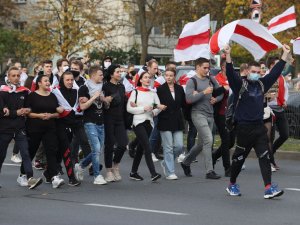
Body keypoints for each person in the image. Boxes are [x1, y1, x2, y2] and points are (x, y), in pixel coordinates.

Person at [224, 44, 291, 199]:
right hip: (243, 129)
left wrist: (285, 54)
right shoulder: (240, 84)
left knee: (265, 156)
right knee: (239, 159)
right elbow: (230, 73)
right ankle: (232, 184)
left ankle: (268, 188)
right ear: (247, 72)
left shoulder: (262, 84)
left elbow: (275, 72)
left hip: (259, 128)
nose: (255, 74)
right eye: (253, 72)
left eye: (258, 72)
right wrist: (228, 56)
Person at [0, 66, 43, 189]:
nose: (16, 78)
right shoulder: (2, 91)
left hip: (20, 128)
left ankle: (29, 178)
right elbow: (2, 112)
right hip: (4, 129)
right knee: (1, 155)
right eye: (13, 75)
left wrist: (27, 109)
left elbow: (29, 106)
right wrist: (15, 113)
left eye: (18, 75)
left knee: (25, 152)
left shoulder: (24, 91)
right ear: (8, 77)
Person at [180, 57, 223, 179]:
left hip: (210, 114)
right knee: (208, 140)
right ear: (197, 67)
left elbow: (220, 93)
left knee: (201, 143)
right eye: (204, 67)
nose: (207, 70)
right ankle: (209, 171)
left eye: (208, 67)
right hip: (198, 113)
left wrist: (216, 99)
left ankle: (186, 162)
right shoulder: (191, 82)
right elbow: (188, 99)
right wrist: (203, 92)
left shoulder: (211, 79)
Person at [25, 75, 65, 188]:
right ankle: (23, 174)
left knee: (51, 151)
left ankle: (54, 177)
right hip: (34, 128)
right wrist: (39, 115)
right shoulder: (32, 96)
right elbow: (28, 113)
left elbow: (58, 113)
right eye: (46, 81)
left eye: (49, 81)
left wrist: (51, 115)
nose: (48, 83)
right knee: (31, 151)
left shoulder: (52, 96)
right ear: (39, 83)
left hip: (50, 128)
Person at [75, 66, 109, 185]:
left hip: (101, 121)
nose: (102, 76)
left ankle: (81, 165)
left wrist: (104, 100)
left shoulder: (103, 87)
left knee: (98, 149)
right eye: (100, 74)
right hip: (90, 121)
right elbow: (83, 107)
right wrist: (94, 97)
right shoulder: (84, 88)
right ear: (93, 75)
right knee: (96, 148)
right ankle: (97, 175)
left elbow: (106, 106)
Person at [127, 72, 162, 181]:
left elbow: (158, 107)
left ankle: (133, 172)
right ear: (140, 80)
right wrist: (143, 109)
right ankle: (153, 173)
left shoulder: (153, 93)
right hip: (138, 122)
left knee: (141, 149)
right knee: (147, 146)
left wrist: (153, 111)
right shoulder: (135, 92)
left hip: (149, 123)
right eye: (145, 77)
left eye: (149, 78)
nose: (148, 79)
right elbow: (129, 108)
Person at [157, 68, 185, 180]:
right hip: (165, 119)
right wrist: (157, 106)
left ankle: (165, 162)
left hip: (177, 120)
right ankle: (170, 172)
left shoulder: (179, 89)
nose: (168, 77)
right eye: (166, 75)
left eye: (170, 75)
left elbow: (183, 104)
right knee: (168, 147)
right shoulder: (160, 89)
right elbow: (155, 102)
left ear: (174, 77)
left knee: (179, 146)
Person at [102, 64, 128, 182]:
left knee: (123, 144)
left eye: (121, 72)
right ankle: (108, 171)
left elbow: (124, 102)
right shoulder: (106, 86)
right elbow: (104, 104)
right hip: (108, 119)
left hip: (120, 119)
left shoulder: (122, 87)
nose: (120, 74)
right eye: (117, 72)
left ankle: (115, 165)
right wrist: (107, 100)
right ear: (111, 74)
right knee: (109, 144)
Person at [266, 57, 290, 170]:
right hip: (269, 109)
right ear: (271, 66)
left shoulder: (281, 78)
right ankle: (271, 162)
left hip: (280, 108)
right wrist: (268, 98)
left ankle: (271, 152)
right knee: (270, 137)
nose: (281, 66)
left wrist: (284, 100)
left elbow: (285, 91)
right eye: (277, 64)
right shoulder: (267, 76)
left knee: (285, 134)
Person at [212, 59, 231, 177]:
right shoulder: (217, 79)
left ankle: (214, 156)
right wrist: (224, 88)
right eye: (229, 66)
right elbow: (215, 93)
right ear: (223, 67)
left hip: (231, 113)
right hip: (219, 113)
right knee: (226, 139)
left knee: (231, 141)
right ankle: (227, 168)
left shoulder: (233, 78)